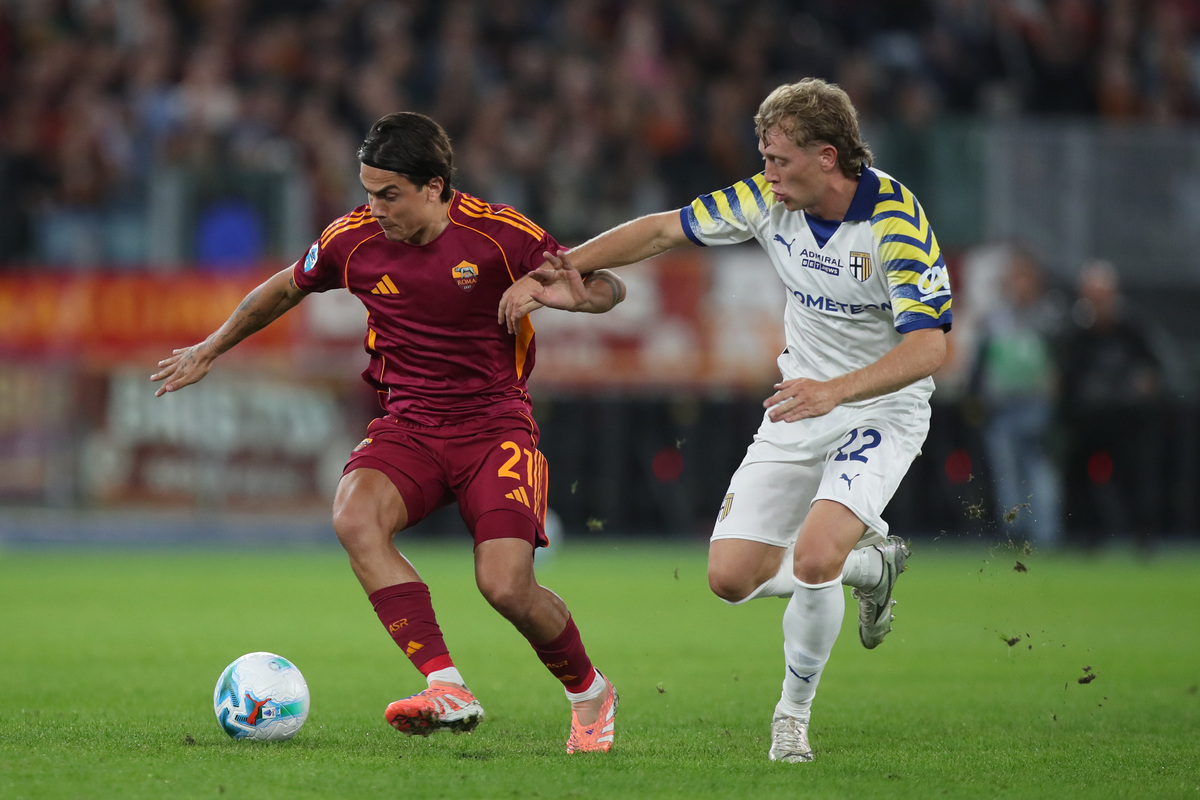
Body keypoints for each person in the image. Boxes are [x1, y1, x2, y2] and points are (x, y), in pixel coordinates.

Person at [499, 78, 952, 763]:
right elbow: (659, 230)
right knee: (731, 578)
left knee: (813, 555)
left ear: (827, 156)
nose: (766, 174)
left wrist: (838, 391)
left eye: (778, 159)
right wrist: (554, 271)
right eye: (764, 158)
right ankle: (870, 569)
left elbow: (931, 346)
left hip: (881, 406)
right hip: (800, 401)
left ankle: (791, 720)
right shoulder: (767, 201)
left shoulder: (894, 223)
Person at [151, 111, 626, 754]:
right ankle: (446, 685)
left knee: (505, 585)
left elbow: (606, 288)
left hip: (495, 427)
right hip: (410, 424)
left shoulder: (500, 235)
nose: (373, 207)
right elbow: (285, 288)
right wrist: (212, 347)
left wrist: (569, 297)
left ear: (434, 187)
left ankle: (590, 691)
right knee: (353, 517)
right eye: (367, 190)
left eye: (388, 194)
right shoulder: (352, 240)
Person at [1057, 259, 1165, 550]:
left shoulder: (1131, 329)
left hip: (1126, 421)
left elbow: (1154, 369)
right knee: (1080, 481)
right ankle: (1086, 538)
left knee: (1136, 479)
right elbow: (1064, 376)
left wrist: (1142, 384)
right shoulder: (1075, 334)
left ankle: (1144, 537)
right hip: (1087, 422)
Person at [967, 245, 1065, 547]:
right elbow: (980, 363)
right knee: (1006, 473)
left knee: (1038, 470)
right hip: (1001, 408)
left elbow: (1062, 362)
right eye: (1013, 277)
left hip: (1037, 406)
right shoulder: (994, 318)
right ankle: (1014, 534)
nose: (1017, 283)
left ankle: (1045, 536)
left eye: (1023, 276)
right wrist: (975, 397)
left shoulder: (1049, 316)